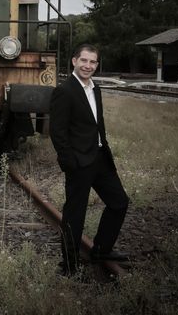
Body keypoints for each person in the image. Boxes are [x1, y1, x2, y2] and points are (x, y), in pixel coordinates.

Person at [49, 44, 130, 276]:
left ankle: (101, 250)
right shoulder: (65, 90)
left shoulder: (96, 89)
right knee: (75, 214)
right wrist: (69, 162)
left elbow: (96, 124)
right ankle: (69, 267)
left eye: (93, 62)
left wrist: (102, 147)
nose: (88, 66)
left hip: (100, 158)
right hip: (78, 162)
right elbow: (58, 132)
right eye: (84, 60)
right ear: (74, 61)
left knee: (119, 202)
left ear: (97, 64)